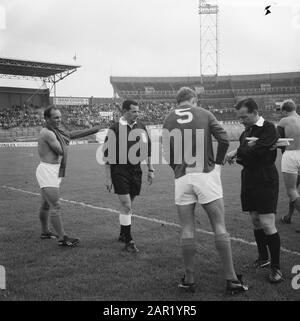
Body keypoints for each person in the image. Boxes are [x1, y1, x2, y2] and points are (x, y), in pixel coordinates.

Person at [162, 87, 248, 294]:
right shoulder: (204, 113)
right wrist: (217, 163)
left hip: (182, 177)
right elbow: (225, 140)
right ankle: (231, 280)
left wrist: (177, 169)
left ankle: (189, 280)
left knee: (187, 229)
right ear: (194, 99)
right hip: (205, 174)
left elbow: (166, 151)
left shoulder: (168, 118)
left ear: (178, 101)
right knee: (219, 226)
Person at [225, 98, 283, 283]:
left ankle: (276, 268)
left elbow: (259, 149)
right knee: (255, 220)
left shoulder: (268, 128)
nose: (242, 120)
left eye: (244, 116)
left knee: (267, 223)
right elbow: (248, 151)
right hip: (249, 177)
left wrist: (240, 151)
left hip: (265, 178)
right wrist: (241, 152)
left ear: (254, 111)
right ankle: (263, 258)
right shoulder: (247, 131)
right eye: (240, 117)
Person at [36, 105, 100, 247]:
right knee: (56, 205)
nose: (59, 120)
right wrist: (67, 138)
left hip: (52, 170)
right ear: (47, 118)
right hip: (48, 170)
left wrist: (94, 129)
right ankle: (62, 238)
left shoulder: (55, 131)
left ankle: (45, 232)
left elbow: (71, 134)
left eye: (60, 117)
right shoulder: (49, 133)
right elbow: (60, 150)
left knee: (46, 205)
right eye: (55, 117)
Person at [103, 100, 154, 253]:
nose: (137, 114)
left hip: (136, 170)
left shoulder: (141, 127)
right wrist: (108, 177)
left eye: (138, 111)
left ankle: (122, 233)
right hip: (119, 170)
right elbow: (107, 155)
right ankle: (129, 241)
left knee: (129, 203)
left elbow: (147, 150)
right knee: (126, 205)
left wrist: (150, 169)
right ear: (124, 111)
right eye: (133, 111)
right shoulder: (115, 128)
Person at [277, 99, 300, 231]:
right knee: (295, 191)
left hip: (291, 155)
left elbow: (278, 140)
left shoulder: (284, 121)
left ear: (285, 111)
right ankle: (289, 217)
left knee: (292, 191)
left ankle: (290, 216)